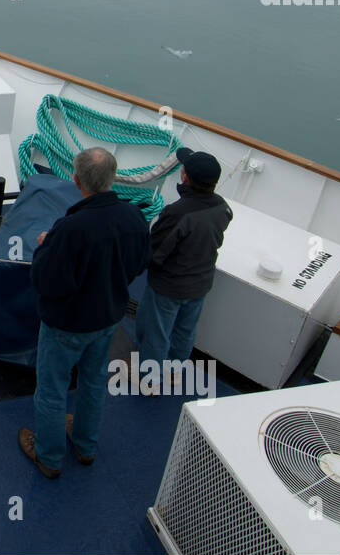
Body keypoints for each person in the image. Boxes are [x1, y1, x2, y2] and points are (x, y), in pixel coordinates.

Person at [19, 148, 151, 478]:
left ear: (76, 180)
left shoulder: (70, 229)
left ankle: (49, 457)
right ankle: (85, 445)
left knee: (51, 390)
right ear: (113, 177)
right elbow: (137, 265)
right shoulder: (134, 218)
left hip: (67, 324)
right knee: (93, 383)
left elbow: (46, 280)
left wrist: (44, 246)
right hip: (107, 319)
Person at [135, 147, 233, 373]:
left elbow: (155, 252)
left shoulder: (177, 213)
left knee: (155, 332)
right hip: (200, 283)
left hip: (169, 286)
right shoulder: (222, 207)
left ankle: (150, 378)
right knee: (185, 330)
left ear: (185, 177)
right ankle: (174, 372)